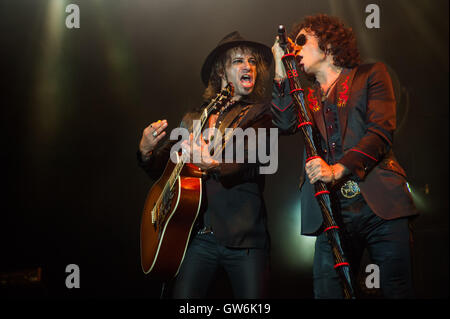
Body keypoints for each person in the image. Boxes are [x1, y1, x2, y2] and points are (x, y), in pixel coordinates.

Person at [271, 14, 418, 298]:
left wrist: (337, 169)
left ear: (327, 45)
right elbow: (283, 122)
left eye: (302, 41)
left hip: (380, 206)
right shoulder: (307, 98)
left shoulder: (371, 75)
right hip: (331, 213)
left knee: (396, 291)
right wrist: (280, 65)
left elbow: (380, 132)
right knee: (328, 291)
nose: (295, 48)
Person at [137, 31, 273, 298]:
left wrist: (212, 163)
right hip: (196, 237)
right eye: (238, 61)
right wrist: (145, 151)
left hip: (244, 239)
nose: (248, 66)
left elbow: (256, 158)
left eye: (252, 61)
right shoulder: (193, 118)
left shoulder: (259, 113)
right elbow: (163, 171)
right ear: (221, 71)